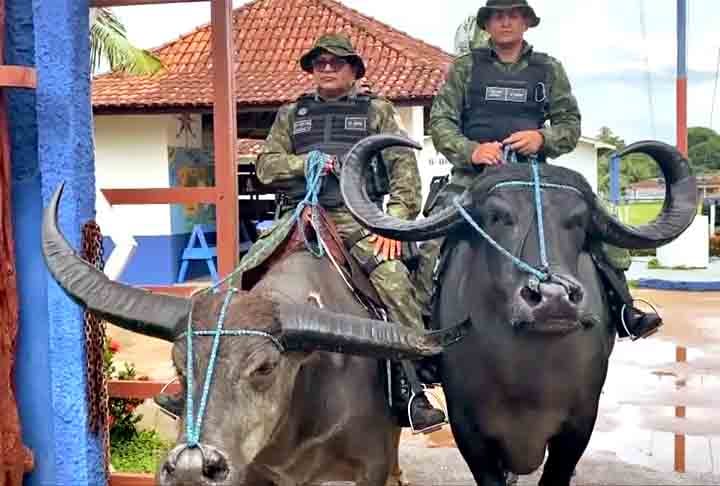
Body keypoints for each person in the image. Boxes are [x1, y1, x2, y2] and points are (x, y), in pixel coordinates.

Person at [418, 0, 662, 340]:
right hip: (474, 179)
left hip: (532, 177)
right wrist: (472, 151)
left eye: (513, 16)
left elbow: (569, 124)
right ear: (487, 24)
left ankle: (624, 308)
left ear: (526, 23)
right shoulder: (465, 68)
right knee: (428, 240)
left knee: (598, 227)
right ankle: (426, 329)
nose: (505, 22)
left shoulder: (549, 69)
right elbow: (442, 122)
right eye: (498, 16)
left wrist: (541, 138)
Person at [256, 33, 445, 432]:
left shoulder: (377, 110)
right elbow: (266, 167)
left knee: (394, 283)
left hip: (356, 217)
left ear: (354, 70)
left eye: (336, 62)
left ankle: (414, 386)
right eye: (319, 62)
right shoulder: (292, 113)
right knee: (240, 280)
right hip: (299, 216)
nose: (326, 68)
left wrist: (390, 222)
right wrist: (305, 161)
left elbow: (405, 175)